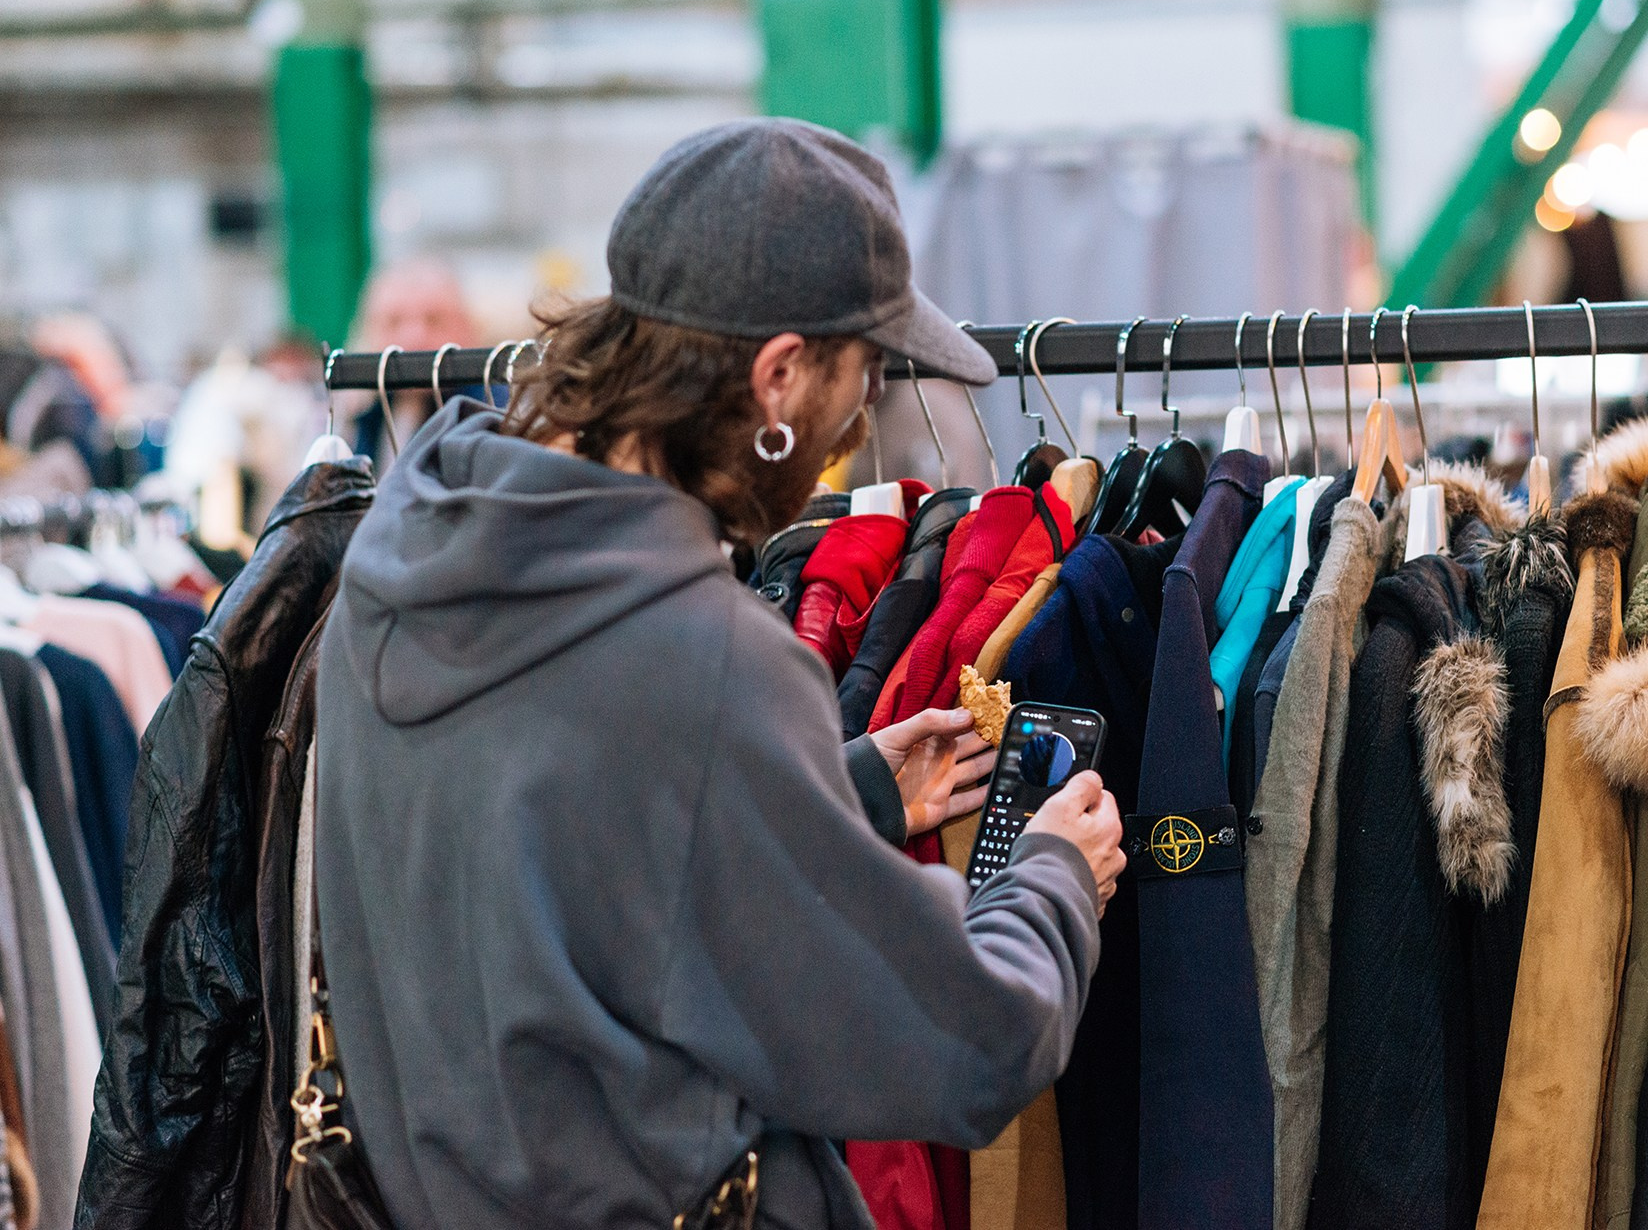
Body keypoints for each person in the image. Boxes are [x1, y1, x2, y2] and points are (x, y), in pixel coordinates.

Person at [313, 117, 1127, 1228]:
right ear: (779, 375)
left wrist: (841, 791)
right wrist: (1052, 876)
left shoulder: (404, 555)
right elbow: (964, 1046)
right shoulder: (703, 657)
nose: (859, 416)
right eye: (867, 369)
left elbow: (555, 854)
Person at [347, 259, 482, 466]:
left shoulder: (493, 419)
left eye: (434, 320)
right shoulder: (356, 423)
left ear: (467, 328)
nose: (414, 339)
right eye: (394, 321)